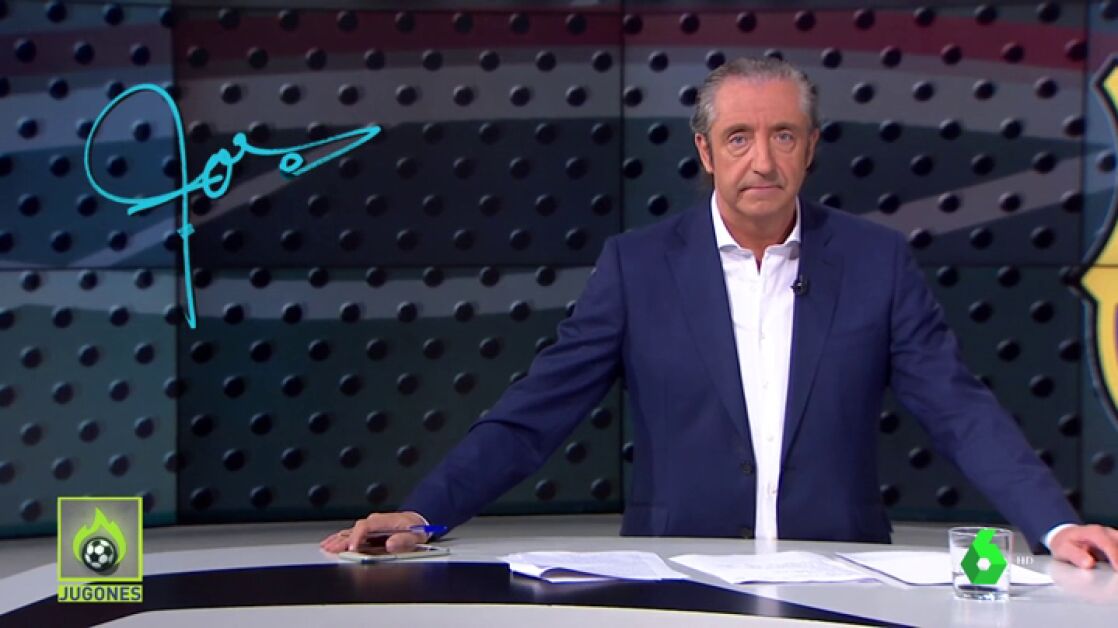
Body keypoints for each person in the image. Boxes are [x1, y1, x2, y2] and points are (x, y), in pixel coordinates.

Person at [322, 57, 1118, 569]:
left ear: (811, 147)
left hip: (843, 582)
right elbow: (535, 413)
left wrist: (1055, 527)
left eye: (783, 137)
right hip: (681, 581)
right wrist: (425, 512)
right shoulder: (638, 267)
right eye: (739, 138)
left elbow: (957, 408)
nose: (762, 161)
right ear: (704, 152)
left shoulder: (875, 262)